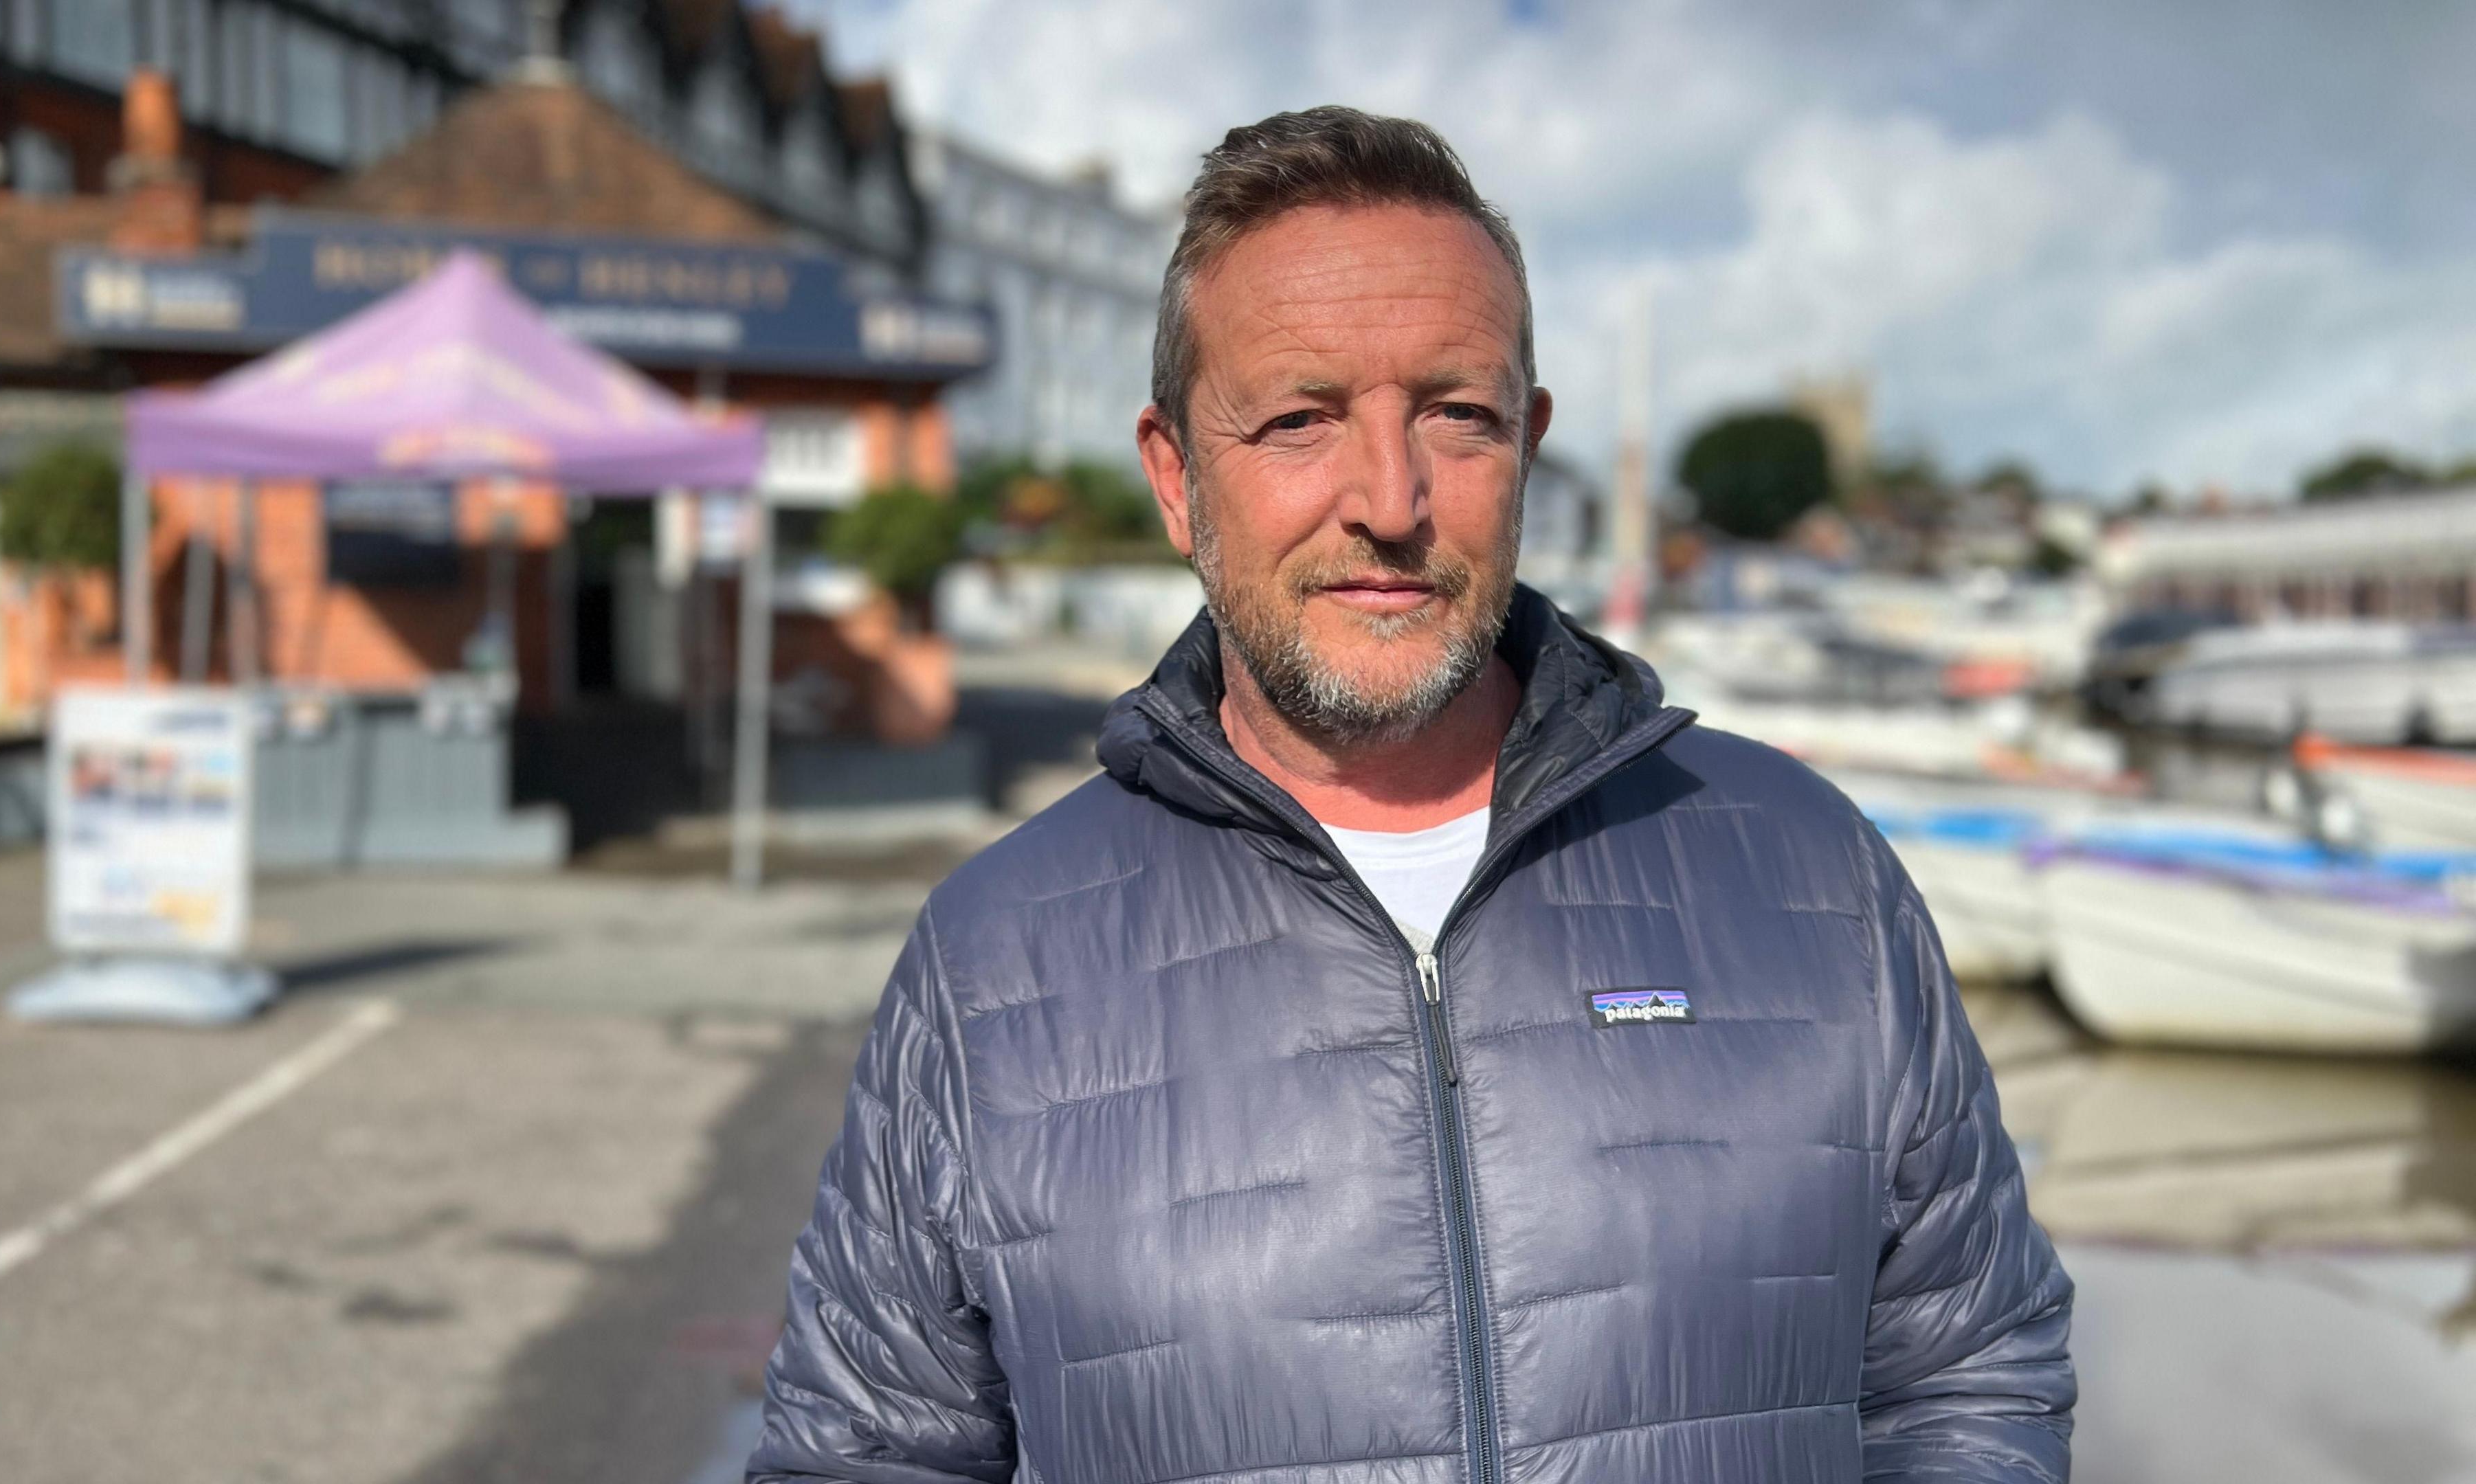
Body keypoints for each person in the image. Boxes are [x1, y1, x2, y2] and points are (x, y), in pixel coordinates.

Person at [750, 106, 2073, 1484]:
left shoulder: (1815, 878)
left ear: (1527, 442)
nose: (1390, 498)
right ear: (1176, 479)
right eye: (1300, 420)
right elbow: (861, 1456)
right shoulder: (990, 966)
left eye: (1454, 414)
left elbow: (1973, 1365)